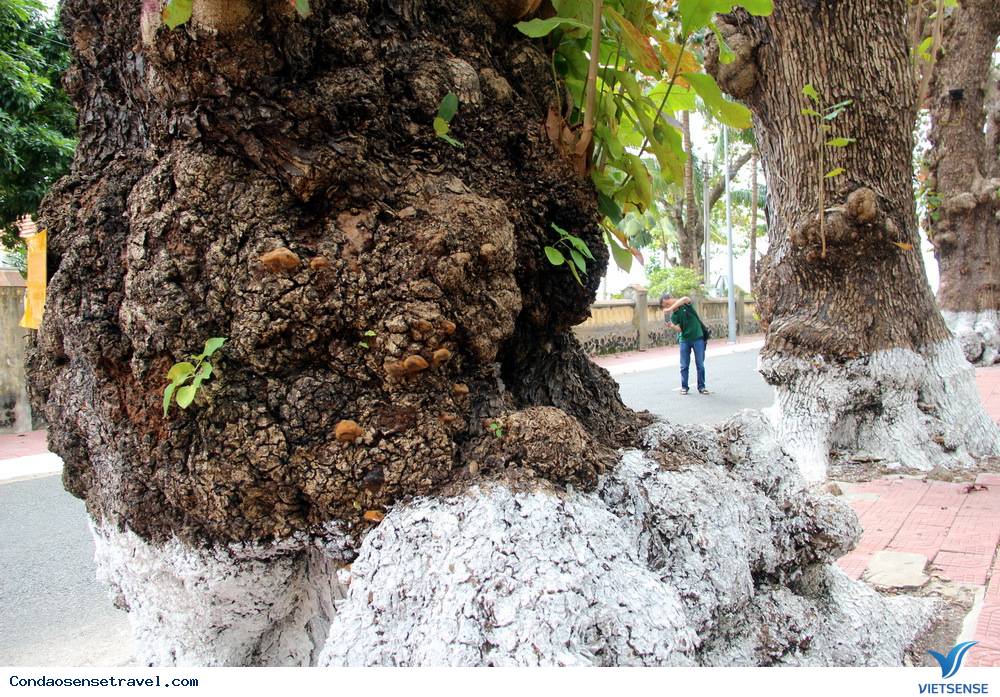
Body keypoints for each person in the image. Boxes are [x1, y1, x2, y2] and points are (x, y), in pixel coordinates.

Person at [661, 293, 709, 395]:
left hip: (697, 337)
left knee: (700, 364)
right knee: (684, 365)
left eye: (666, 304)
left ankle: (701, 387)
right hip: (684, 340)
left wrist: (669, 309)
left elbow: (685, 298)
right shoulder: (674, 315)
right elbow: (680, 329)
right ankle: (684, 387)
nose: (667, 307)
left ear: (669, 298)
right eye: (665, 306)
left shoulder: (685, 304)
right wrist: (671, 325)